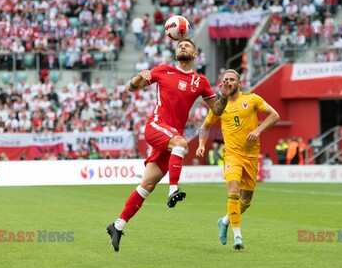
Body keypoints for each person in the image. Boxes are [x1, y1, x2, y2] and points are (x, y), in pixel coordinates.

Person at [106, 38, 233, 252]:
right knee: (182, 142)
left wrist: (225, 96)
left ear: (195, 55)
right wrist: (141, 76)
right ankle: (173, 190)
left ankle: (117, 225)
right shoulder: (163, 70)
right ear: (176, 53)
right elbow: (131, 88)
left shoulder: (200, 81)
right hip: (157, 126)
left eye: (187, 46)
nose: (182, 47)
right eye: (180, 45)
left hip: (170, 142)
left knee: (147, 185)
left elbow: (217, 110)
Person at [196, 69, 279, 250]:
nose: (228, 82)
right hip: (232, 154)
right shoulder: (219, 106)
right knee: (233, 190)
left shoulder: (252, 99)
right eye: (225, 79)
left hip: (251, 155)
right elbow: (205, 126)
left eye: (232, 79)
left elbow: (275, 115)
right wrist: (201, 145)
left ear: (238, 82)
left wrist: (257, 130)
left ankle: (224, 221)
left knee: (246, 201)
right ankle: (238, 237)